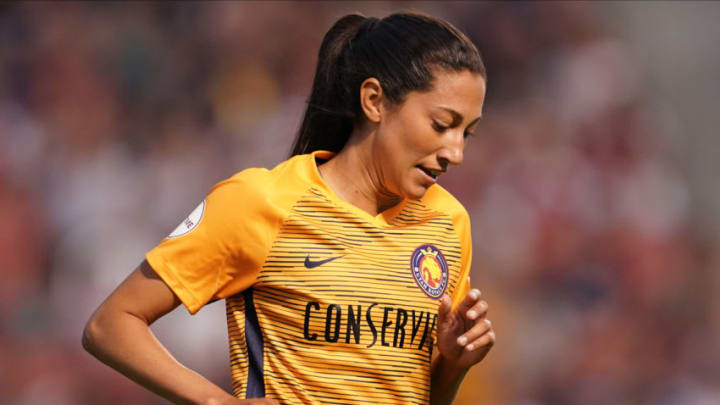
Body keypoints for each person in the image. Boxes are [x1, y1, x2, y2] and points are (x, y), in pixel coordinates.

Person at [83, 11, 495, 405]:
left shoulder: (448, 223)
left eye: (467, 134)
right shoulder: (260, 201)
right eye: (442, 125)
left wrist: (454, 364)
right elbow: (111, 324)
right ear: (374, 101)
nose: (455, 153)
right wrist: (214, 399)